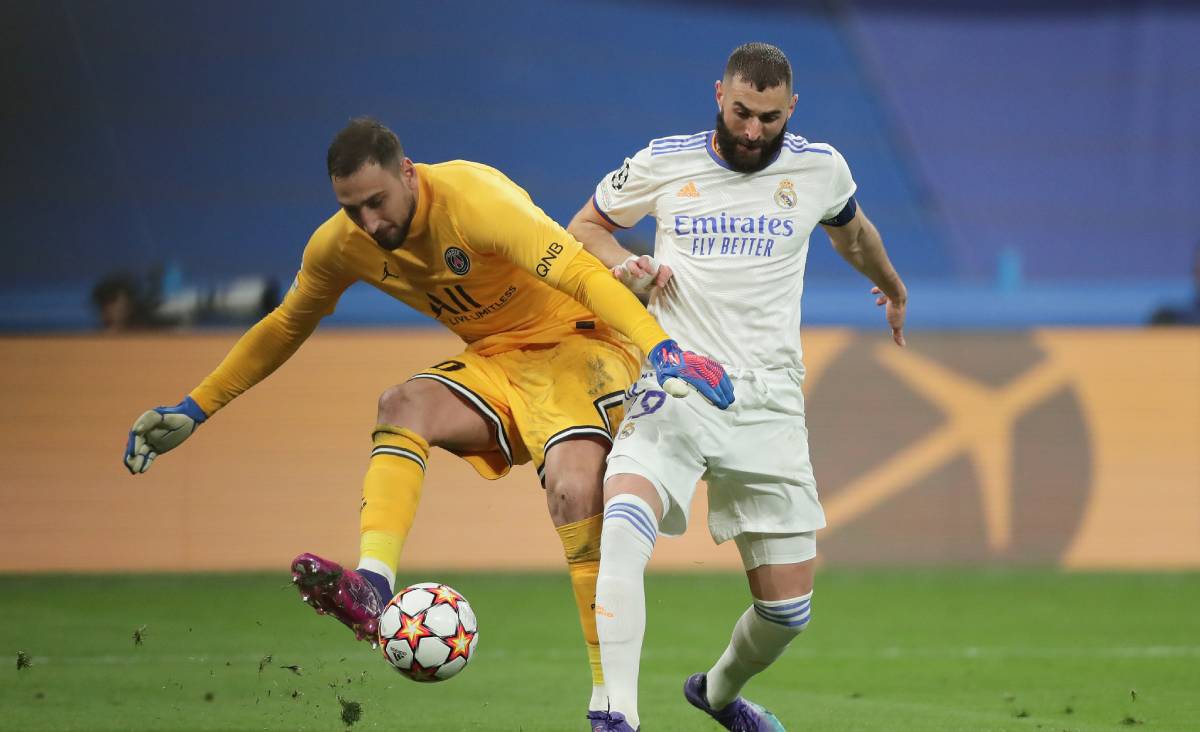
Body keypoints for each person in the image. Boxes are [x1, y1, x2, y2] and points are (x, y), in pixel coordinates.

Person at [121, 117, 733, 727]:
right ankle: (372, 582)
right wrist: (196, 407)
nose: (368, 222)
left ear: (408, 173)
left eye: (376, 201)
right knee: (402, 405)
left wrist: (660, 347)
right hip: (496, 361)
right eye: (351, 208)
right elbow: (284, 325)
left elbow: (580, 274)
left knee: (574, 492)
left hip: (581, 344)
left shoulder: (475, 200)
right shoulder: (341, 244)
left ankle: (609, 705)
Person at [567, 43, 908, 731]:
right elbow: (585, 227)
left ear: (792, 109)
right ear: (719, 95)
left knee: (787, 612)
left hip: (770, 400)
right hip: (678, 380)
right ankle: (616, 714)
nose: (752, 131)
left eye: (769, 118)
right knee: (624, 518)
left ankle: (719, 695)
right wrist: (626, 263)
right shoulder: (664, 161)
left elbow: (854, 235)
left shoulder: (820, 168)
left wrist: (893, 288)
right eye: (742, 112)